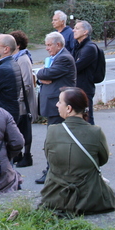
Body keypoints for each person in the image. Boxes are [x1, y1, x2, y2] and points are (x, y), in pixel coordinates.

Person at [39, 87, 115, 216]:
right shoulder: (96, 132)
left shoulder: (52, 131)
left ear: (69, 108)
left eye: (60, 102)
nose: (57, 104)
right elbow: (103, 160)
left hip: (54, 195)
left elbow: (49, 158)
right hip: (88, 197)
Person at [35, 31, 77, 184]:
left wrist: (41, 74)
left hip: (58, 106)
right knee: (54, 140)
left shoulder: (64, 58)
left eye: (48, 45)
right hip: (54, 105)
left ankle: (53, 173)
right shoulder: (57, 57)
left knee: (54, 141)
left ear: (58, 44)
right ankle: (54, 171)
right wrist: (42, 78)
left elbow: (44, 73)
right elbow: (43, 77)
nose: (46, 48)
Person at [10, 30, 39, 168]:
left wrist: (19, 99)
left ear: (18, 45)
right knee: (18, 129)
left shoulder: (23, 59)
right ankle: (19, 154)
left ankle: (27, 156)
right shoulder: (15, 58)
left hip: (23, 103)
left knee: (25, 130)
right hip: (18, 101)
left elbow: (26, 83)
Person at [72, 20, 100, 124]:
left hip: (85, 89)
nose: (73, 30)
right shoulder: (78, 46)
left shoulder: (89, 48)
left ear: (85, 32)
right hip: (77, 88)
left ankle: (91, 139)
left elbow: (75, 67)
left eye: (77, 28)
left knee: (87, 118)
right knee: (78, 118)